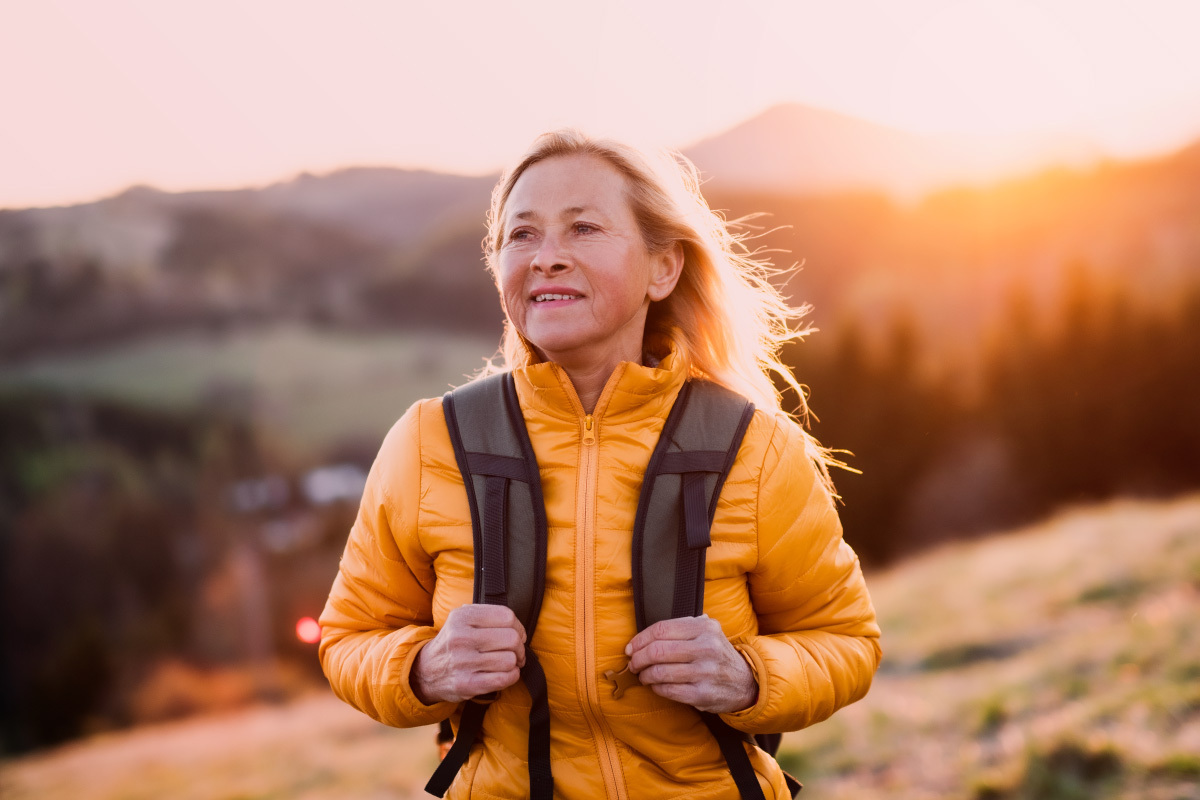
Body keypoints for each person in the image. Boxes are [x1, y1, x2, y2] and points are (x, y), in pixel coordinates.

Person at [319, 130, 881, 799]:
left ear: (663, 268)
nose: (547, 258)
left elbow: (845, 640)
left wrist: (750, 675)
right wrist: (421, 669)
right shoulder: (431, 441)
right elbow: (349, 638)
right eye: (521, 236)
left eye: (583, 228)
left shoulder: (752, 448)